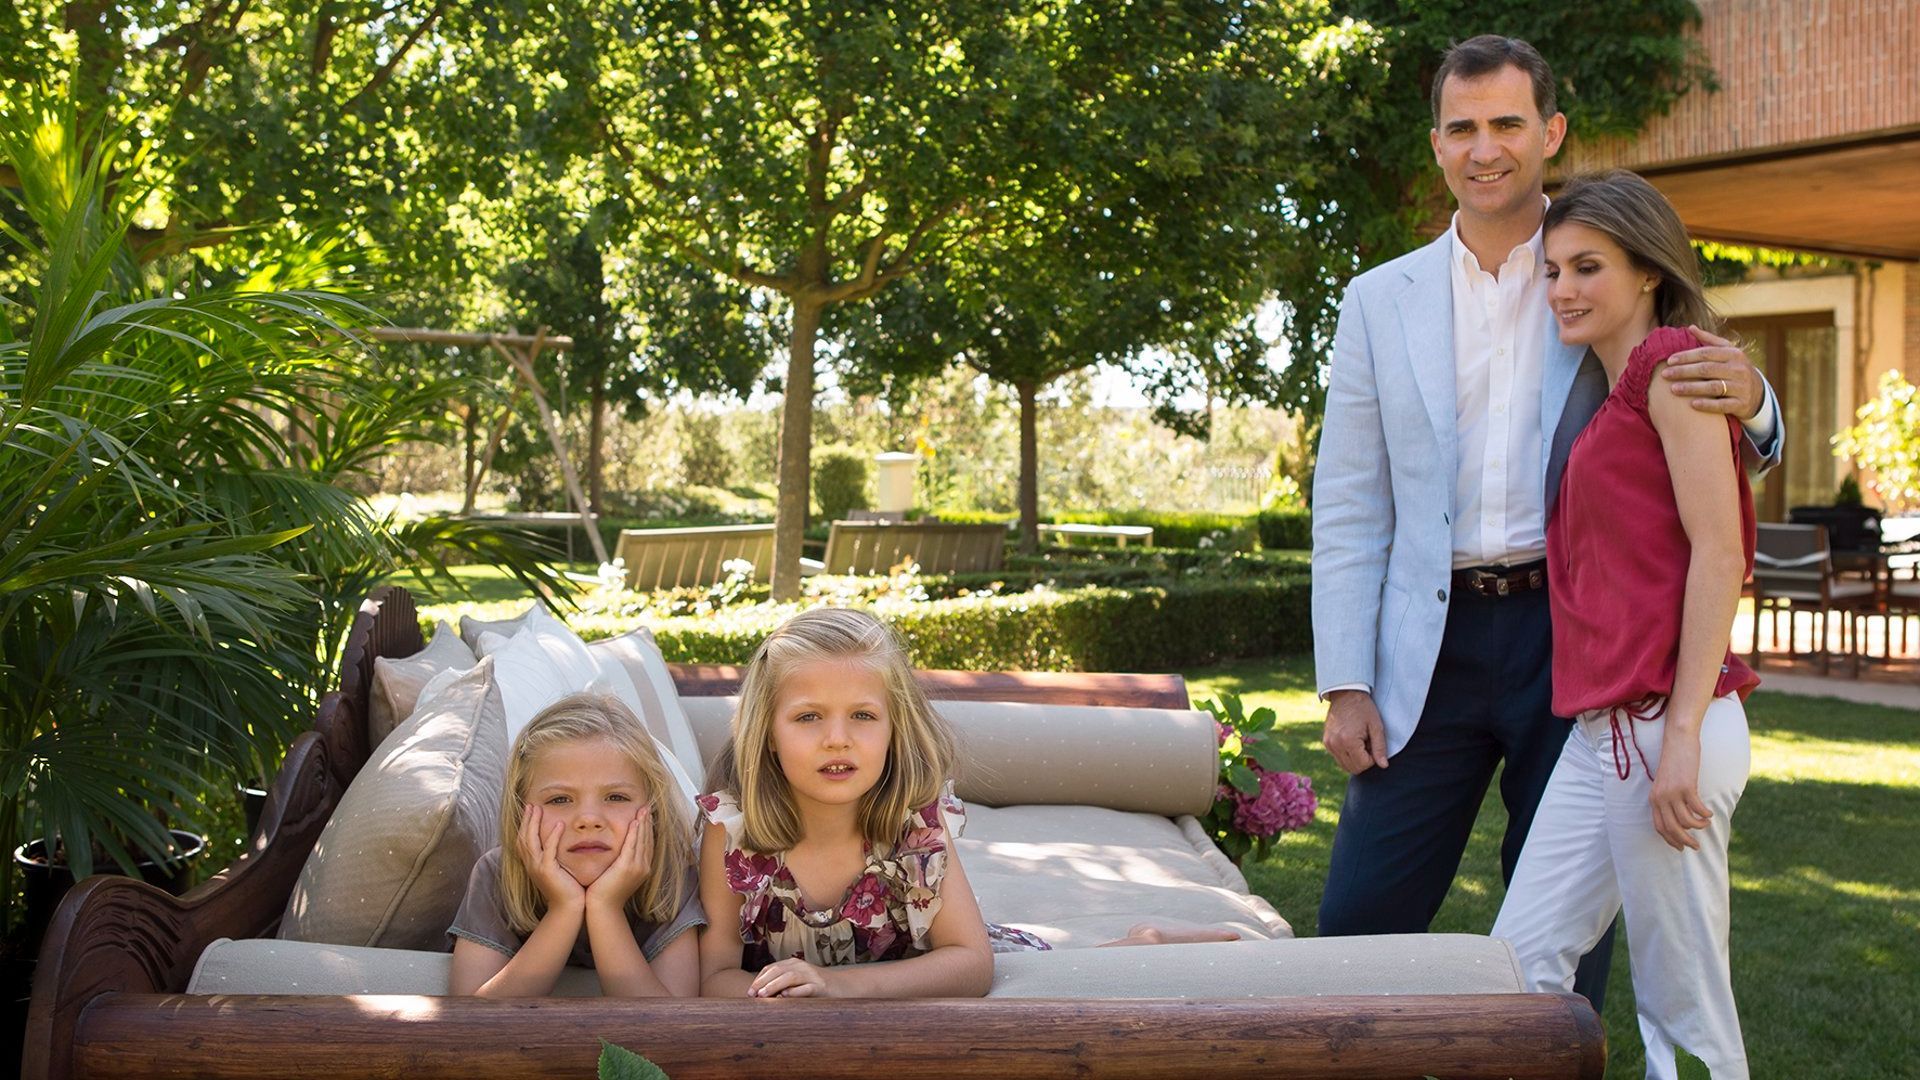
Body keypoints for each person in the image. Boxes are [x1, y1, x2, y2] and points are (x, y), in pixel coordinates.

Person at [1308, 34, 1782, 1009]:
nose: (1485, 149)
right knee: (1356, 923)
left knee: (1567, 949)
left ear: (1551, 133)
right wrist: (1345, 681)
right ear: (1437, 145)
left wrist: (1758, 399)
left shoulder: (1592, 265)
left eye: (1507, 124)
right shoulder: (1377, 301)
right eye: (1462, 128)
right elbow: (1350, 503)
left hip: (1571, 637)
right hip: (1425, 648)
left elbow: (1697, 377)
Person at [1491, 171, 1754, 1078]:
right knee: (1517, 968)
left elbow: (1720, 552)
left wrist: (1680, 735)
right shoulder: (1609, 395)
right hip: (1602, 732)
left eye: (1588, 267)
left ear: (1647, 271)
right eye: (1554, 270)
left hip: (1664, 724)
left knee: (1683, 1006)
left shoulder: (1671, 366)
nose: (1563, 289)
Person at [696, 607, 1233, 999]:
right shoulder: (733, 832)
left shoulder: (913, 824)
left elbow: (972, 964)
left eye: (862, 715)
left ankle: (1145, 940)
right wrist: (789, 996)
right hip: (826, 997)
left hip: (921, 972)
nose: (838, 739)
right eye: (808, 717)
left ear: (894, 729)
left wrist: (835, 987)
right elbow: (714, 976)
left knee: (1072, 974)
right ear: (768, 733)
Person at [449, 694, 705, 997]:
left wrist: (605, 908)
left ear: (653, 809)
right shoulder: (496, 875)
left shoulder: (672, 877)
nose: (588, 819)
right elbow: (472, 1018)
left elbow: (671, 1023)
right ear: (520, 811)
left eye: (616, 797)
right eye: (560, 799)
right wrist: (564, 908)